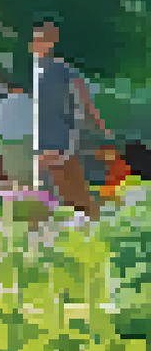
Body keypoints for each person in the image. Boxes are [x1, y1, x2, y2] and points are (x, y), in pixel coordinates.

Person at [31, 20, 110, 219]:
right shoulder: (35, 70)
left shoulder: (61, 69)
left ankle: (89, 219)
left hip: (61, 134)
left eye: (42, 39)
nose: (36, 43)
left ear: (51, 42)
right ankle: (85, 220)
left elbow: (84, 96)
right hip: (43, 136)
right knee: (63, 183)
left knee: (66, 180)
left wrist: (99, 125)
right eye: (35, 38)